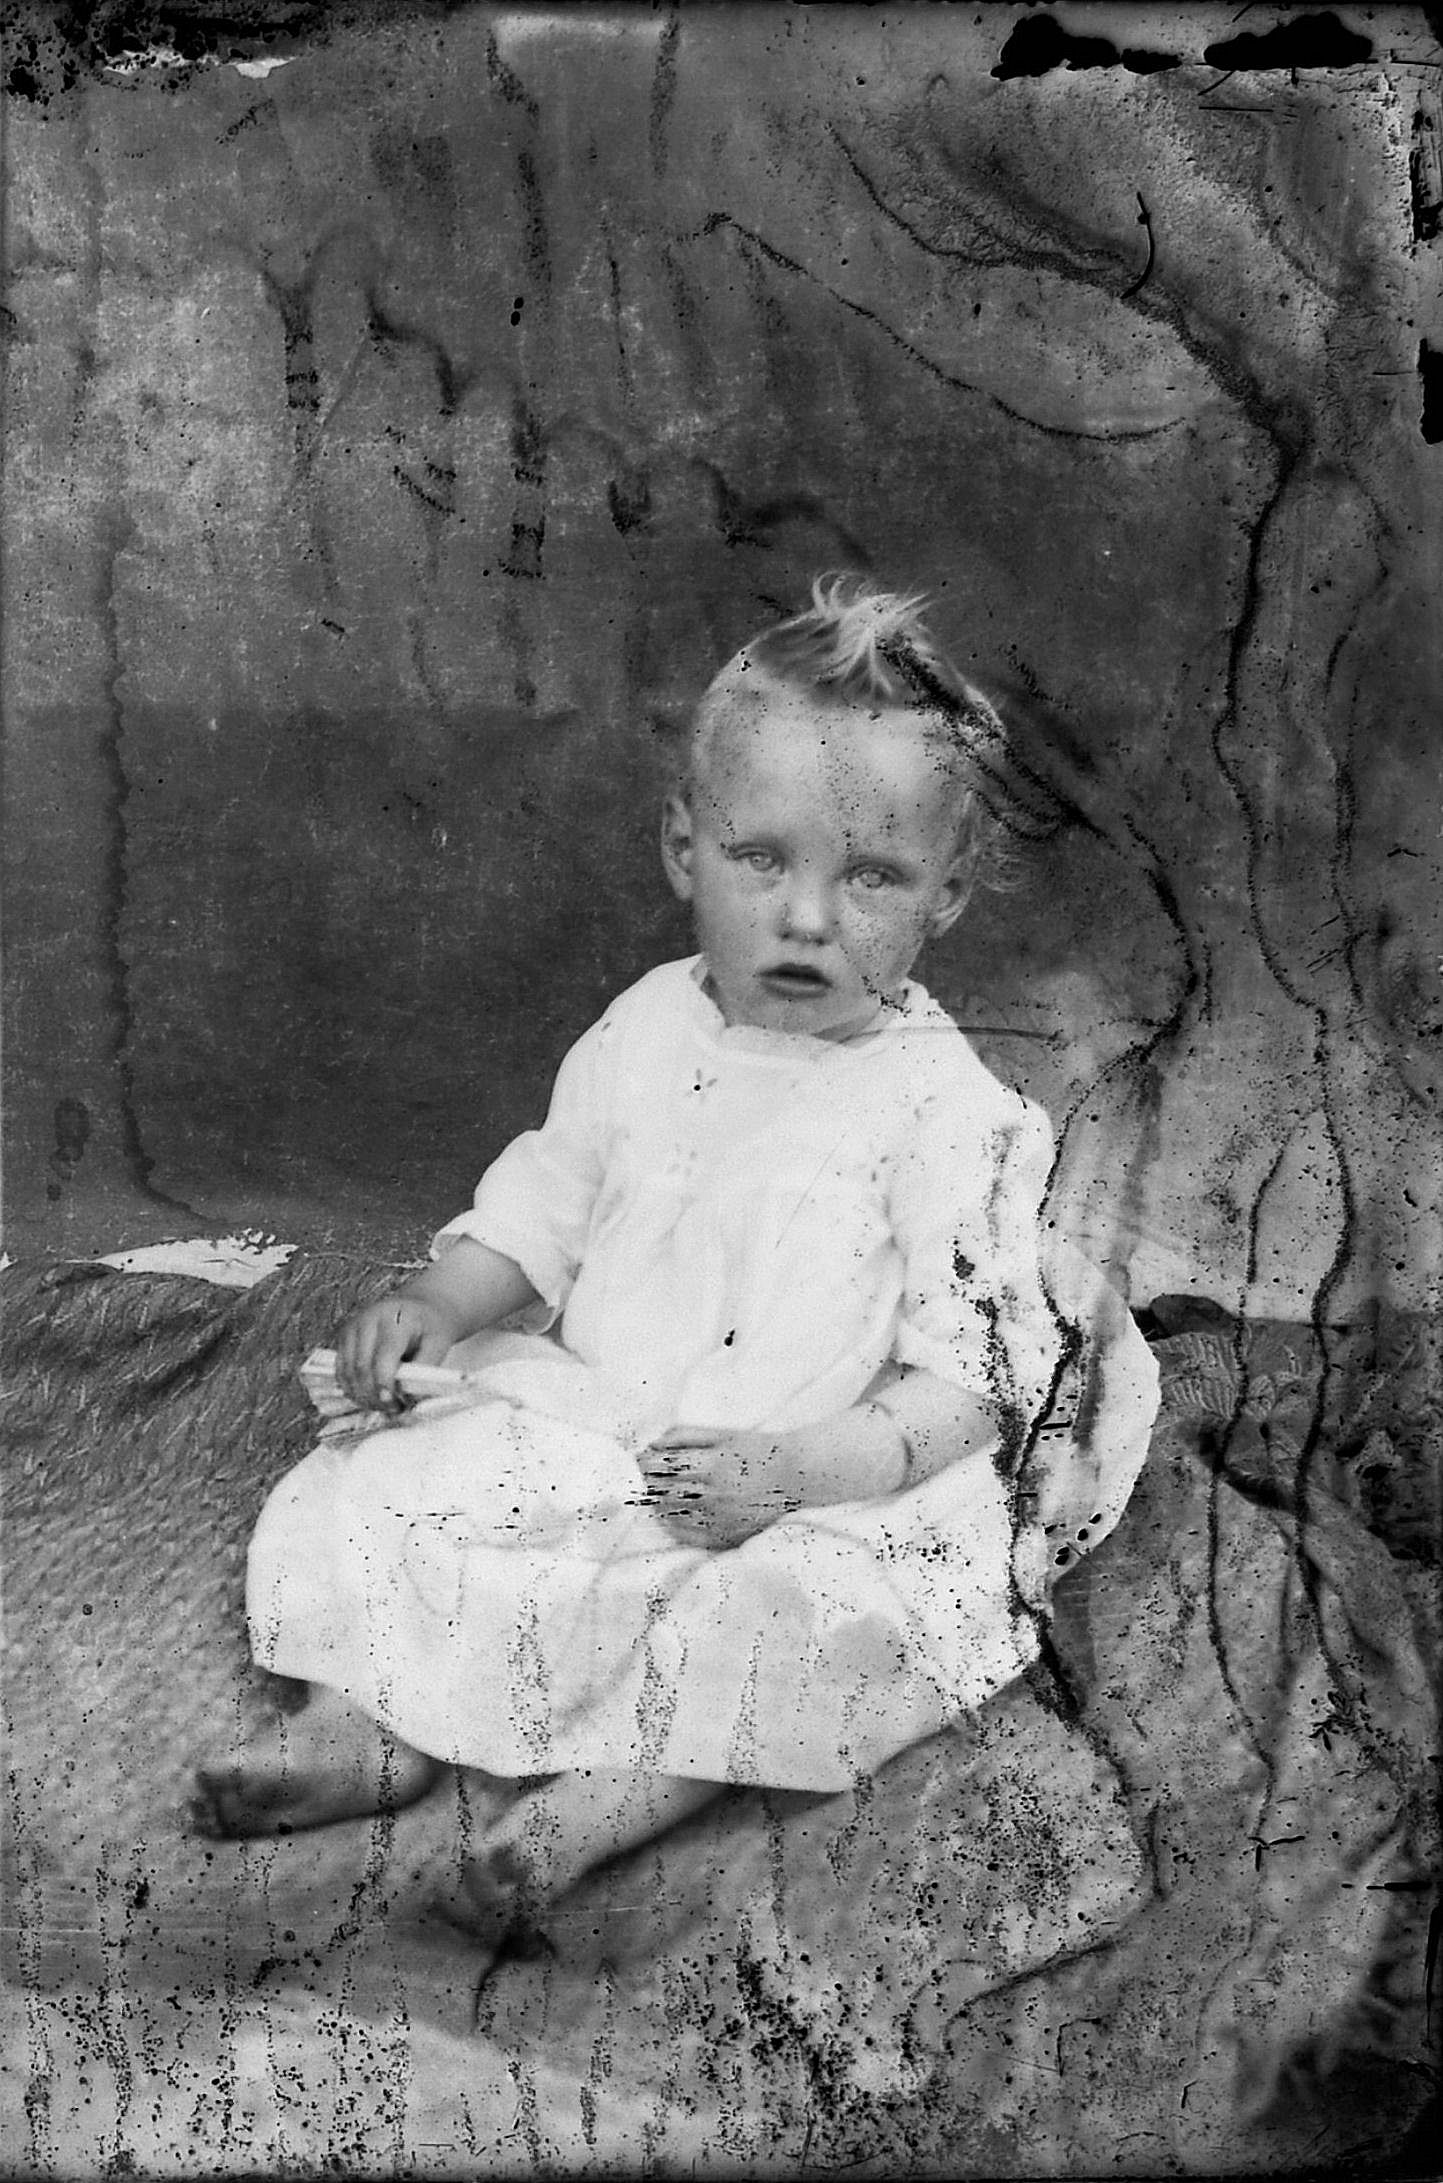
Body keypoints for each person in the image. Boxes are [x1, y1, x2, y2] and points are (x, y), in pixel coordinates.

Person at [194, 577, 1159, 1965]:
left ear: (945, 898)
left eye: (871, 877)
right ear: (682, 848)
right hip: (601, 1423)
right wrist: (439, 1305)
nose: (807, 917)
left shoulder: (954, 1115)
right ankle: (363, 1725)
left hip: (803, 1476)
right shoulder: (646, 1027)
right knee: (390, 1481)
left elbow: (964, 1389)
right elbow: (545, 1208)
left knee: (799, 1622)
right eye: (762, 860)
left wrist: (795, 1470)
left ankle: (584, 1818)